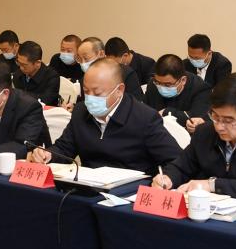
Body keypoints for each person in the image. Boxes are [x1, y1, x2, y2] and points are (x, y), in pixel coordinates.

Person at [28, 59, 181, 173]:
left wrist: (164, 179)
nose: (90, 98)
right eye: (86, 91)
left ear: (119, 90)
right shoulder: (81, 111)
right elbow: (64, 148)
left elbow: (175, 161)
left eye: (97, 93)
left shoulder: (144, 118)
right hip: (88, 188)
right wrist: (48, 155)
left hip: (128, 193)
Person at [143, 54, 210, 130]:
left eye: (167, 84)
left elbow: (196, 119)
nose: (161, 87)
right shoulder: (153, 84)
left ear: (183, 80)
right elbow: (145, 111)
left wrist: (167, 112)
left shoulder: (200, 88)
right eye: (158, 83)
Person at [76, 37, 144, 102]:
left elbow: (135, 104)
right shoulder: (85, 79)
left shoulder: (126, 73)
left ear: (101, 54)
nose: (83, 63)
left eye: (86, 58)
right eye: (80, 59)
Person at [13, 41, 62, 106]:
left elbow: (46, 100)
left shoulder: (52, 76)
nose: (21, 68)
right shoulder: (18, 74)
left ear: (37, 63)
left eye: (24, 65)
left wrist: (19, 95)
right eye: (19, 63)